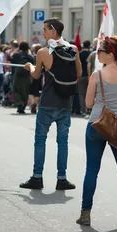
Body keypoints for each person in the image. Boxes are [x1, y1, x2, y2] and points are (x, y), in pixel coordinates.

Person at [76, 36, 117, 226]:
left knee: (92, 170)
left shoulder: (97, 75)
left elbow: (88, 103)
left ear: (110, 54)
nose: (97, 54)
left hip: (98, 123)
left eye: (100, 51)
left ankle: (85, 213)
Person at [19, 18, 82, 191]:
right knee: (63, 142)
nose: (42, 33)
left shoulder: (43, 53)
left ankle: (37, 177)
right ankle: (62, 179)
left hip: (47, 102)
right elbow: (79, 73)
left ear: (53, 31)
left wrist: (30, 67)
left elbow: (36, 76)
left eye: (45, 29)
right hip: (65, 103)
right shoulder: (73, 49)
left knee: (40, 140)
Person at [11, 41, 34, 114]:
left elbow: (10, 56)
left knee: (16, 90)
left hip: (17, 76)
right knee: (25, 91)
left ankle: (19, 103)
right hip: (27, 76)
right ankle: (23, 106)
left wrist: (16, 49)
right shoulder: (30, 57)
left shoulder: (17, 55)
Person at [77, 40, 92, 115]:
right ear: (89, 46)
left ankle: (83, 110)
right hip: (91, 76)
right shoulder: (91, 54)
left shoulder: (79, 54)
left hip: (81, 75)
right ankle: (89, 109)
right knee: (90, 93)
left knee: (81, 94)